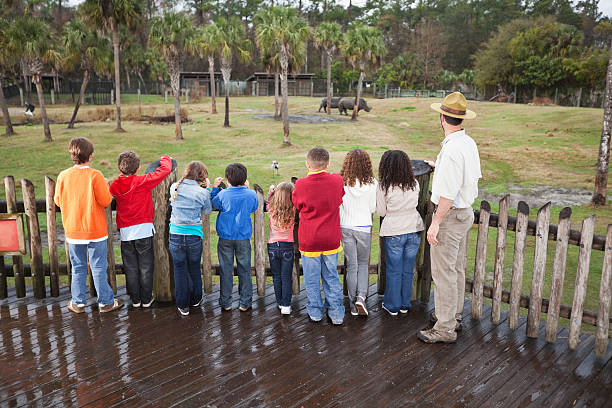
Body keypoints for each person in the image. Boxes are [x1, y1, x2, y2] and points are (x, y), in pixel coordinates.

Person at [417, 91, 481, 344]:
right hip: (464, 214)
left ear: (442, 119)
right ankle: (453, 316)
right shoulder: (468, 143)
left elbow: (447, 195)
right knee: (455, 269)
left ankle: (444, 329)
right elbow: (465, 176)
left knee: (443, 274)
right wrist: (439, 166)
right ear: (462, 120)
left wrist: (435, 222)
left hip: (450, 215)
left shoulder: (452, 151)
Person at [54, 137, 124, 314]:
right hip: (95, 231)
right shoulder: (95, 175)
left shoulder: (63, 175)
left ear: (72, 155)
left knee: (77, 267)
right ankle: (106, 303)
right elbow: (106, 200)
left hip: (73, 231)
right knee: (99, 267)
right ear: (91, 156)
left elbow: (57, 201)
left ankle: (77, 303)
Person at [110, 152, 172, 308]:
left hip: (125, 232)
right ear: (138, 168)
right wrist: (165, 159)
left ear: (119, 167)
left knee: (130, 268)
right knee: (146, 267)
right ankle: (146, 299)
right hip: (143, 230)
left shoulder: (114, 186)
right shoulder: (141, 182)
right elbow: (164, 171)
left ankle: (135, 300)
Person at [292, 147, 345, 325]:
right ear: (328, 164)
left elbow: (297, 205)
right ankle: (336, 312)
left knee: (311, 277)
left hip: (310, 240)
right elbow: (340, 198)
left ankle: (315, 310)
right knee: (331, 275)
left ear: (308, 164)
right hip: (330, 238)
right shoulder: (337, 180)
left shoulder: (300, 184)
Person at [376, 150, 424, 316]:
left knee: (394, 270)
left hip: (394, 231)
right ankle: (405, 303)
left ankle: (392, 305)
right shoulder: (414, 183)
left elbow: (381, 212)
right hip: (414, 229)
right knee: (408, 269)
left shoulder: (384, 186)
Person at [211, 163, 258, 312]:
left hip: (225, 237)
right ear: (245, 179)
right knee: (245, 268)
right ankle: (245, 302)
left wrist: (214, 188)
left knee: (226, 269)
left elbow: (213, 204)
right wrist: (248, 189)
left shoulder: (223, 194)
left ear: (227, 179)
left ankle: (226, 302)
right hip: (243, 238)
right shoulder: (251, 194)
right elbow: (253, 206)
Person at [168, 161, 212, 316]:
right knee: (194, 268)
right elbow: (207, 211)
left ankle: (182, 305)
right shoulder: (202, 192)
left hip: (175, 235)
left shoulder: (175, 187)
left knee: (179, 269)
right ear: (201, 176)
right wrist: (208, 190)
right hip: (194, 236)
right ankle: (195, 299)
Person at [339, 149, 377, 316]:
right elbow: (373, 208)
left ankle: (352, 304)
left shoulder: (341, 183)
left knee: (352, 266)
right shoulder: (372, 184)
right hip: (364, 228)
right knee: (363, 265)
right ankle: (361, 297)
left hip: (346, 227)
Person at [267, 182, 296, 315]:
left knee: (276, 276)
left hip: (273, 245)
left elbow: (269, 200)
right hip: (287, 246)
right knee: (286, 277)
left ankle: (279, 302)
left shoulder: (271, 207)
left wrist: (271, 192)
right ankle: (286, 305)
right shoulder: (293, 209)